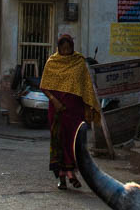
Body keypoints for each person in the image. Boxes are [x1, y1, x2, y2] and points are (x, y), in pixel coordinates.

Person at [39, 31, 99, 190]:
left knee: (75, 141)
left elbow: (86, 87)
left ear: (72, 47)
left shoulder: (79, 62)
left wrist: (89, 107)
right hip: (57, 109)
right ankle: (62, 176)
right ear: (59, 48)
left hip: (75, 110)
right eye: (63, 48)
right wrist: (54, 101)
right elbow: (44, 86)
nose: (65, 51)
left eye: (68, 48)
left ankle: (71, 172)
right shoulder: (52, 62)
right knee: (59, 140)